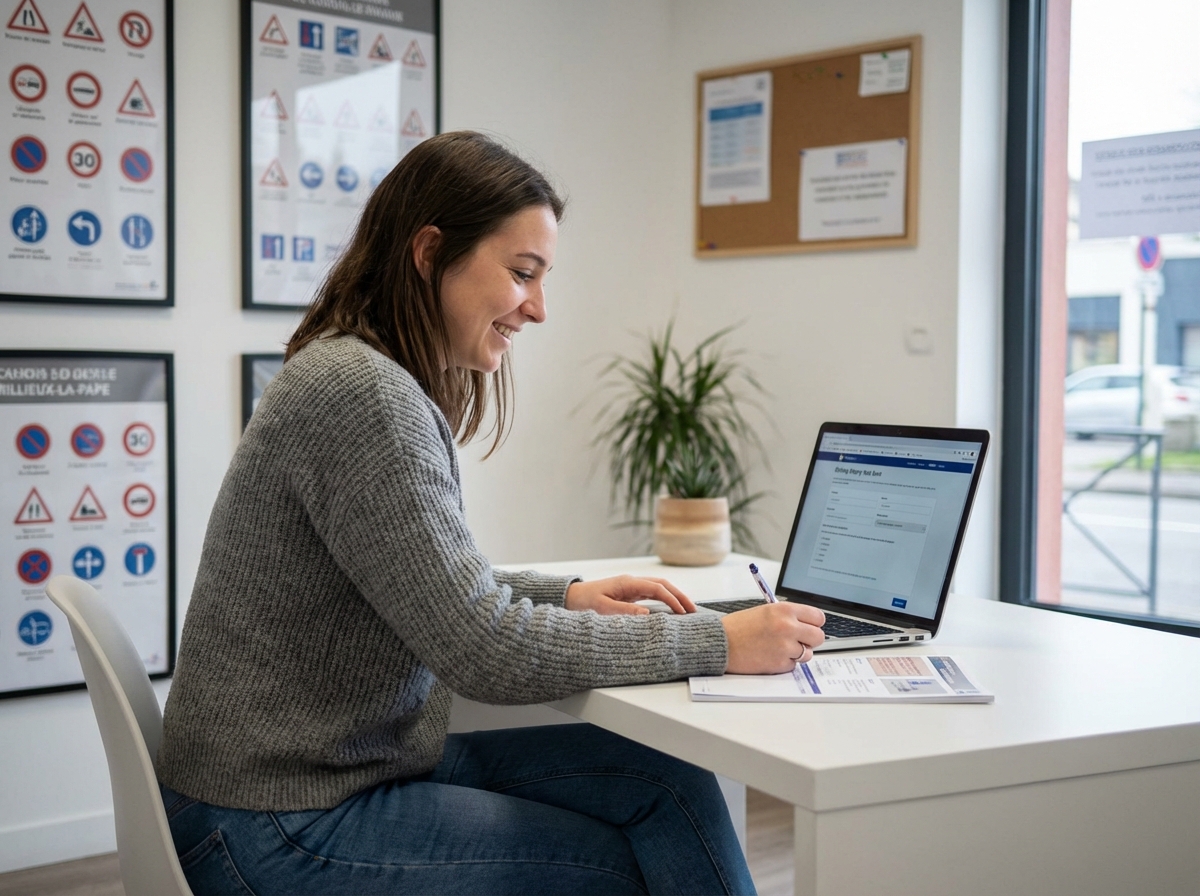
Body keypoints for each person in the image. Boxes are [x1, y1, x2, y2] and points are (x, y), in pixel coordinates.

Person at [156, 130, 826, 896]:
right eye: (522, 273)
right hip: (276, 819)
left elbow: (437, 587)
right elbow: (482, 649)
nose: (537, 309)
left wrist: (567, 596)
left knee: (668, 782)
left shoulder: (357, 374)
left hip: (316, 776)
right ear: (431, 251)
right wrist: (717, 640)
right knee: (617, 870)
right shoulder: (362, 394)